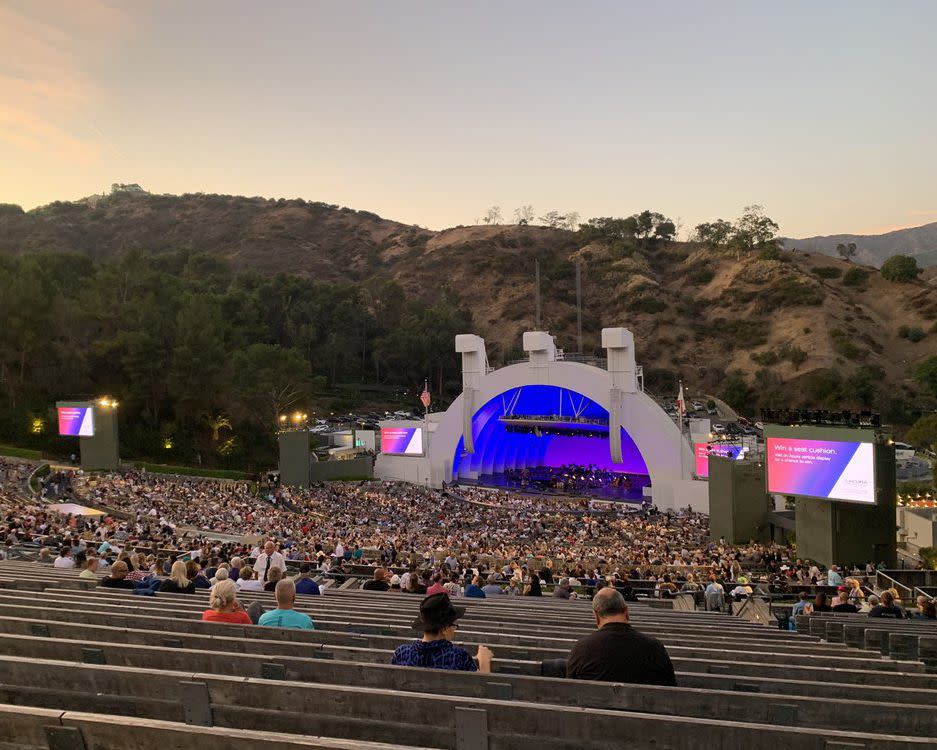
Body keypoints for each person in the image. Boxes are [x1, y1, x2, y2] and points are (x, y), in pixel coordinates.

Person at [566, 588, 676, 686]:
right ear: (626, 611)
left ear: (596, 616)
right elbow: (671, 688)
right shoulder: (655, 647)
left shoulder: (581, 649)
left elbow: (570, 690)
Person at [391, 593, 493, 673]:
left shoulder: (402, 653)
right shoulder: (458, 657)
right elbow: (481, 689)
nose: (454, 630)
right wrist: (484, 662)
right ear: (444, 628)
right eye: (453, 625)